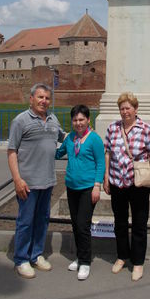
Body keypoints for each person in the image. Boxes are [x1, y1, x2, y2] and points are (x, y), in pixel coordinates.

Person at [7, 83, 65, 279]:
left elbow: (63, 137)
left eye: (47, 98)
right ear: (31, 99)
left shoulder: (53, 119)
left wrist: (84, 134)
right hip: (28, 182)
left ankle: (36, 254)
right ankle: (21, 259)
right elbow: (12, 152)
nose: (44, 101)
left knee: (42, 220)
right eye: (40, 97)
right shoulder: (20, 121)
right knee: (25, 221)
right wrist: (17, 179)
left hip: (48, 179)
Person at [103, 92, 150, 282]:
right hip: (117, 181)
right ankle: (122, 256)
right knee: (119, 222)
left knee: (139, 223)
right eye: (122, 108)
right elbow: (108, 154)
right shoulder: (112, 128)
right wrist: (105, 178)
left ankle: (137, 262)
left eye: (128, 108)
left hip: (138, 183)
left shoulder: (146, 129)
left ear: (135, 109)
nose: (125, 111)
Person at [55, 104, 105, 281]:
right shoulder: (70, 139)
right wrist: (41, 147)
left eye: (81, 119)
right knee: (75, 224)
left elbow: (101, 163)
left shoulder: (94, 139)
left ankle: (85, 262)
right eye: (75, 120)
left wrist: (97, 186)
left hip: (88, 188)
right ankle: (80, 256)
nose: (78, 123)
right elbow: (58, 153)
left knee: (83, 225)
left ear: (88, 120)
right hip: (72, 186)